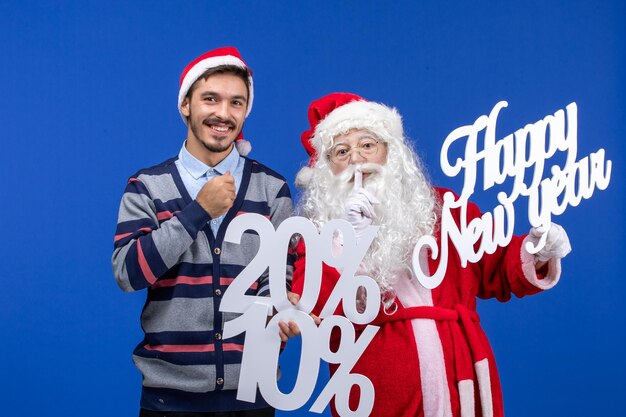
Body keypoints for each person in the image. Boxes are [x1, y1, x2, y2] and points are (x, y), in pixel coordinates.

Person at [292, 92, 571, 417]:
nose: (357, 159)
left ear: (390, 151)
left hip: (460, 376)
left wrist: (535, 251)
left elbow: (493, 263)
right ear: (326, 169)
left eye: (367, 145)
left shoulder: (444, 207)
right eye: (342, 152)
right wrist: (349, 243)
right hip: (374, 386)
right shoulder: (319, 233)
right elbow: (313, 309)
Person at [112, 47, 296, 417]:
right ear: (186, 105)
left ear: (245, 111)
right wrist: (197, 212)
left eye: (236, 103)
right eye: (210, 99)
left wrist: (281, 305)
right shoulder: (148, 186)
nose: (223, 114)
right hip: (169, 398)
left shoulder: (271, 188)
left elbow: (278, 273)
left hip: (253, 396)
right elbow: (128, 274)